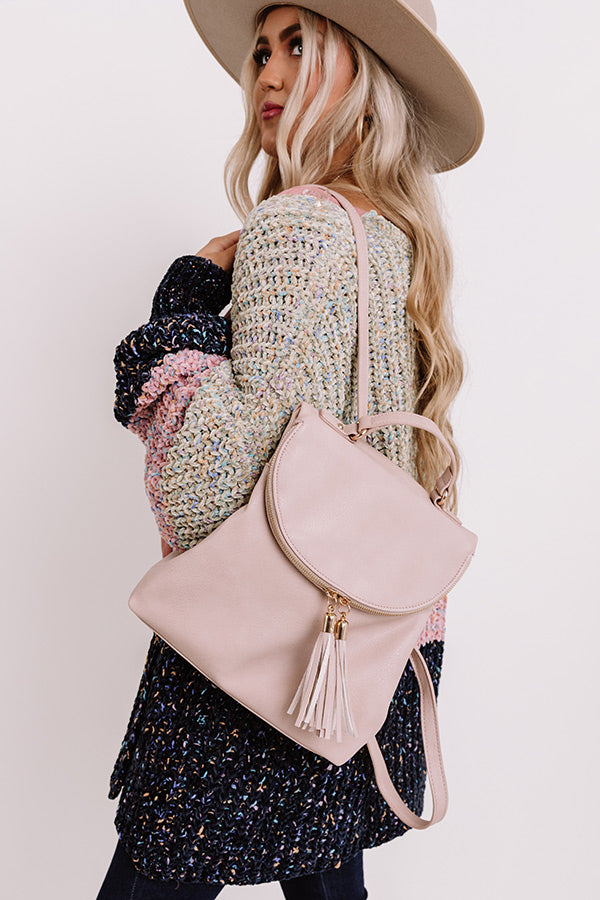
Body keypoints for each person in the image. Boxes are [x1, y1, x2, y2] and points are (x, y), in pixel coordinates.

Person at [97, 1, 483, 897]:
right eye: (265, 49)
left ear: (368, 74)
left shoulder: (297, 225)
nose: (267, 74)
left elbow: (202, 490)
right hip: (352, 652)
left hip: (253, 655)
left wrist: (188, 294)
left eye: (301, 45)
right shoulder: (398, 237)